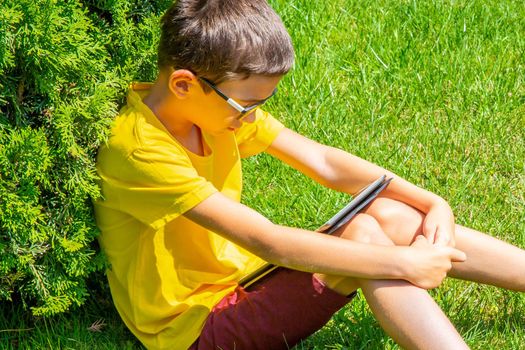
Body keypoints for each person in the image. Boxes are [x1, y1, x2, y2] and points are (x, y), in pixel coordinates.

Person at [93, 1, 525, 349]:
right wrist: (404, 261)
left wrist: (432, 201)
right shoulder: (139, 151)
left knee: (391, 214)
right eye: (246, 104)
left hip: (247, 279)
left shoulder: (209, 114)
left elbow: (323, 162)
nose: (253, 115)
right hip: (193, 328)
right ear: (184, 84)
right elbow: (268, 240)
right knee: (364, 235)